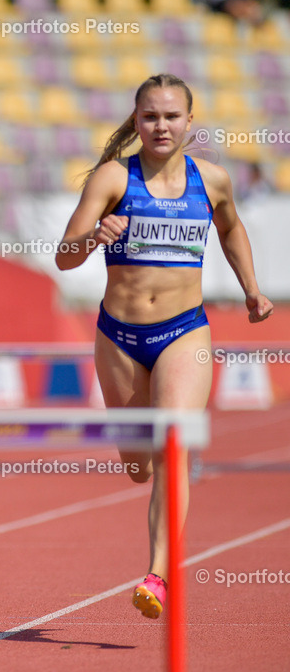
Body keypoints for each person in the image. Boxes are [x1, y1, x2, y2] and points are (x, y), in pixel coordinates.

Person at [55, 73, 272, 619]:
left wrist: (251, 290)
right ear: (136, 120)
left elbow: (230, 228)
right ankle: (141, 472)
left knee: (173, 445)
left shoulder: (213, 180)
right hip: (120, 339)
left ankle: (158, 573)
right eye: (150, 116)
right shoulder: (112, 178)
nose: (161, 126)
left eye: (172, 116)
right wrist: (92, 237)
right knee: (137, 465)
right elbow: (64, 256)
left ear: (189, 123)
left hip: (185, 331)